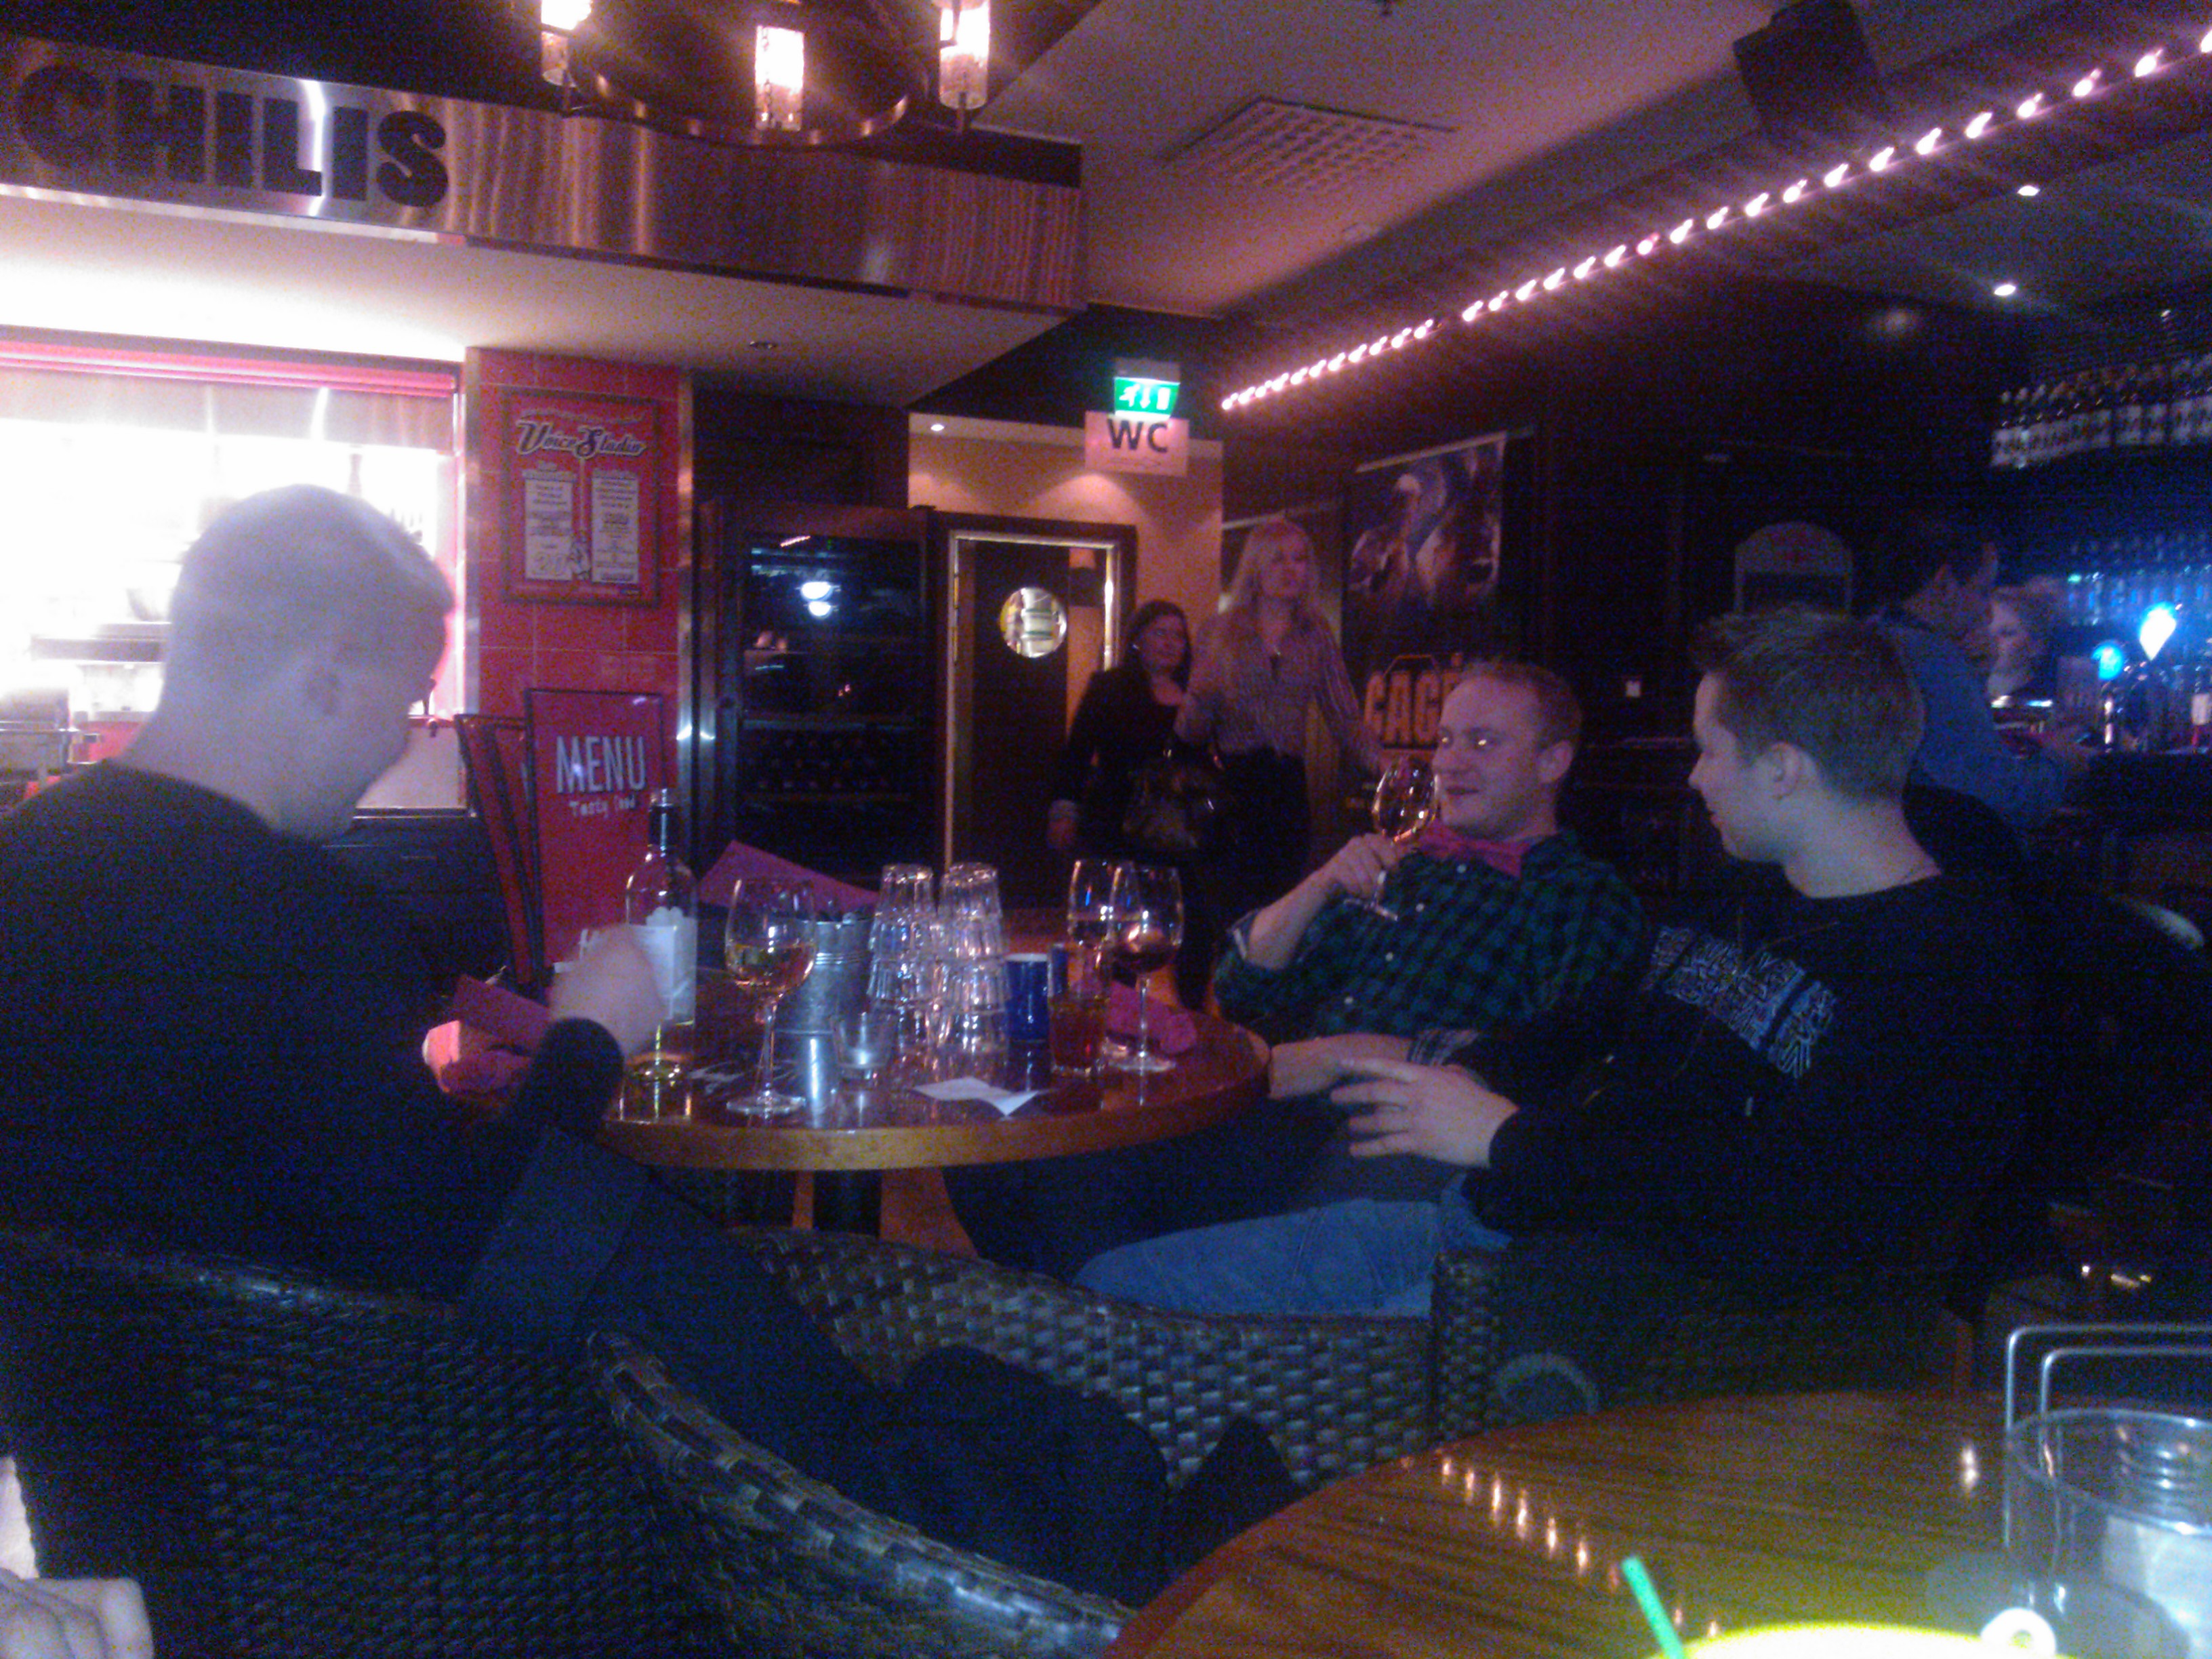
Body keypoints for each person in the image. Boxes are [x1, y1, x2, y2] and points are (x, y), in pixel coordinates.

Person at [0, 486, 1289, 1608]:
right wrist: (589, 1038)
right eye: (404, 700)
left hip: (167, 1481)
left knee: (743, 1320)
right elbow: (463, 1250)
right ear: (326, 673)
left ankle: (1014, 1491)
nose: (404, 739)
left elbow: (317, 1187)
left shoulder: (33, 865)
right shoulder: (295, 914)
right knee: (646, 1248)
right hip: (409, 1464)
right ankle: (1094, 1542)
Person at [1077, 609, 2028, 1385]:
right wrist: (1448, 1074)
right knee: (1107, 1288)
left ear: (1783, 769)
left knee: (1147, 1358)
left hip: (1577, 1301)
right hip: (1493, 1221)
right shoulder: (1747, 895)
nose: (1693, 777)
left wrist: (1502, 1135)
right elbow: (1575, 1029)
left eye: (1708, 750)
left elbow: (1780, 1202)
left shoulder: (1945, 962)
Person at [945, 662, 1643, 1273]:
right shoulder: (1408, 869)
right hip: (1287, 1104)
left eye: (1483, 742)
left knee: (1076, 1194)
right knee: (996, 1159)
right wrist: (1322, 883)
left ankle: (1125, 1341)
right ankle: (1087, 1339)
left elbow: (1560, 1063)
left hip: (1394, 1137)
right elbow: (1245, 985)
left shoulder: (1584, 896)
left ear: (1553, 761)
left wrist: (1352, 1054)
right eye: (1446, 740)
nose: (1451, 763)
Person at [1178, 516, 1383, 931]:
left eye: (1300, 559)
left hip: (1286, 785)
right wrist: (1200, 695)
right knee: (1227, 911)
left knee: (1281, 909)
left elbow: (1344, 717)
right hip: (1231, 782)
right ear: (1256, 567)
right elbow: (1189, 734)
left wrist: (1382, 764)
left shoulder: (1315, 634)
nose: (1291, 569)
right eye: (1278, 560)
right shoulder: (1221, 631)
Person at [1868, 512, 2087, 831]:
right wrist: (2059, 761)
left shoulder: (1867, 638)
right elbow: (2006, 801)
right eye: (1983, 591)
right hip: (1940, 853)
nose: (1986, 612)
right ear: (1944, 584)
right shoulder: (1931, 658)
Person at [1045, 599, 1215, 1004]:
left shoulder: (1199, 693)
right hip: (1117, 826)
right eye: (1160, 633)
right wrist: (1064, 811)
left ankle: (1191, 1016)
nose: (1170, 643)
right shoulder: (1109, 688)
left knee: (1192, 927)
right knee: (1119, 929)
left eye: (1178, 636)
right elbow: (1076, 755)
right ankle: (1116, 1015)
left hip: (1179, 831)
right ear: (1138, 639)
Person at [1986, 578, 2063, 707]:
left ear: (2036, 645)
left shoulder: (2044, 703)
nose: (1991, 640)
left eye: (2006, 633)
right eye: (1985, 630)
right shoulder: (1958, 694)